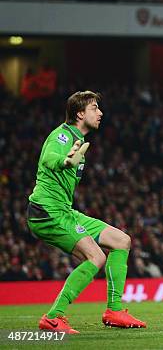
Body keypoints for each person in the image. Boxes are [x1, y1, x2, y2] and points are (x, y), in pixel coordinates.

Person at [28, 91, 146, 333]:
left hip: (64, 211)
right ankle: (53, 316)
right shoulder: (63, 135)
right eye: (94, 108)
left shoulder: (78, 140)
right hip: (47, 211)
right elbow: (49, 157)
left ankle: (114, 311)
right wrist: (66, 161)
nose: (100, 112)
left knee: (121, 241)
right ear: (80, 113)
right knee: (97, 257)